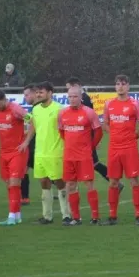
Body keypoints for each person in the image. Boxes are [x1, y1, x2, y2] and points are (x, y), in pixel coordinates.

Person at [19, 81, 71, 225]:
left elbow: (66, 129)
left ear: (50, 93)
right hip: (40, 153)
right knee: (44, 182)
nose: (38, 94)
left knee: (60, 183)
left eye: (41, 92)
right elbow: (33, 127)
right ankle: (47, 216)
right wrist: (26, 142)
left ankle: (66, 215)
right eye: (37, 92)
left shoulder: (59, 109)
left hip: (55, 152)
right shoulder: (35, 110)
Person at [102, 75, 139, 226]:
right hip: (114, 148)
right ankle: (112, 216)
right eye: (117, 84)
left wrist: (132, 137)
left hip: (129, 148)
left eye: (123, 84)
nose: (120, 87)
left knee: (134, 181)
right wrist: (114, 134)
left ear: (128, 86)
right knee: (113, 182)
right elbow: (105, 124)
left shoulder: (135, 104)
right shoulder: (109, 104)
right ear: (115, 87)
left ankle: (138, 216)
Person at [65, 77, 121, 191]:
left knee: (94, 163)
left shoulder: (84, 99)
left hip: (86, 138)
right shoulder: (83, 98)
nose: (70, 91)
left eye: (70, 87)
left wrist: (94, 139)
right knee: (93, 163)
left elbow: (89, 120)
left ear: (76, 86)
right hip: (83, 138)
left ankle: (115, 181)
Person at [58, 86, 103, 226]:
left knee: (89, 184)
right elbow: (61, 132)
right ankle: (76, 218)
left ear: (80, 97)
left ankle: (95, 217)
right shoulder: (62, 113)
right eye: (70, 96)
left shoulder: (89, 113)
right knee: (70, 185)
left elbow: (99, 132)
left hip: (84, 156)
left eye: (75, 96)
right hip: (69, 156)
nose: (72, 99)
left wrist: (90, 147)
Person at [0, 89, 28, 226]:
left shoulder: (16, 109)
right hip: (3, 152)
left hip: (17, 152)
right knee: (10, 185)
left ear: (4, 98)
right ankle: (17, 215)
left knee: (14, 183)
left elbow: (33, 121)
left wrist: (26, 141)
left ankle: (11, 216)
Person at [20, 84, 38, 205]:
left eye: (27, 95)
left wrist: (24, 133)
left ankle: (63, 188)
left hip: (36, 144)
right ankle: (25, 197)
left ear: (34, 93)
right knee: (24, 169)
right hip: (31, 143)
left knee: (46, 172)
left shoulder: (38, 108)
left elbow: (35, 126)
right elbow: (30, 122)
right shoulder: (33, 109)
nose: (25, 97)